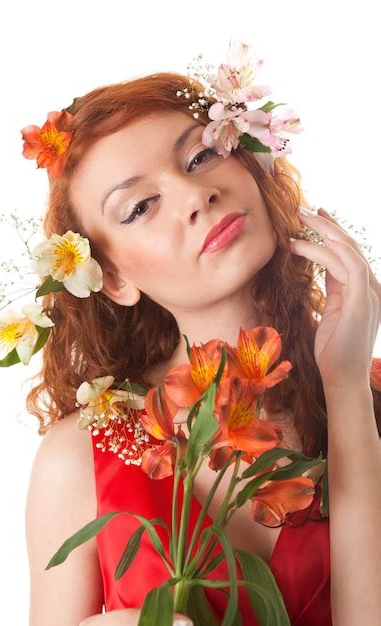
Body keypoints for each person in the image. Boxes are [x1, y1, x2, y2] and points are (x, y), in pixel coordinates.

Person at [24, 61, 381, 626]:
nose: (196, 194)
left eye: (200, 156)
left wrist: (346, 389)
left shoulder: (370, 397)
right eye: (140, 207)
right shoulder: (82, 458)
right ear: (112, 278)